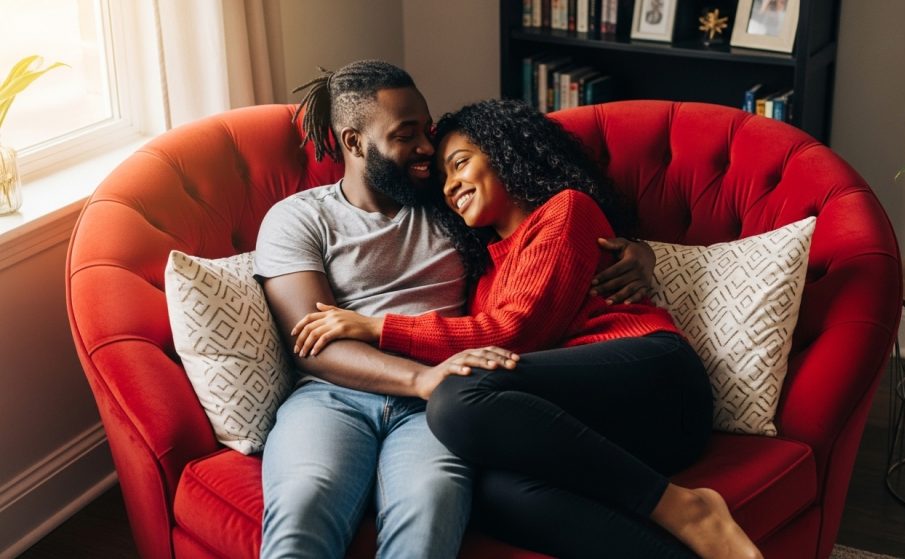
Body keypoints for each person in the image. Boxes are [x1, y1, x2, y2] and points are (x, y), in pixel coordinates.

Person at [291, 99, 762, 559]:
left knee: (457, 398)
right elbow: (492, 337)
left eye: (459, 164)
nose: (451, 186)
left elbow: (514, 334)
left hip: (657, 383)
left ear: (506, 153)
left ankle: (687, 508)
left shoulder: (566, 210)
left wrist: (375, 327)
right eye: (443, 180)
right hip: (601, 425)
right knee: (497, 495)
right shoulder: (482, 271)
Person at [254, 61, 655, 559]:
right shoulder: (298, 218)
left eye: (427, 129)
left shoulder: (451, 204)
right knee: (304, 502)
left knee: (429, 509)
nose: (427, 148)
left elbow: (546, 222)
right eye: (407, 135)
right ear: (354, 143)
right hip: (336, 398)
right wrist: (420, 379)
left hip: (441, 407)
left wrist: (637, 249)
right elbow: (314, 345)